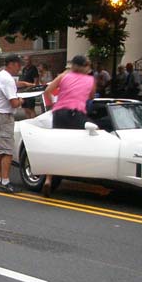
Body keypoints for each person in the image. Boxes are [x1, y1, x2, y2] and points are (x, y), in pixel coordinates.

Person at [41, 54, 96, 196]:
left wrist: (51, 106)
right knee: (85, 139)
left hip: (59, 112)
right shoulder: (90, 80)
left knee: (56, 146)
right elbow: (91, 97)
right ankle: (77, 170)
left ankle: (48, 179)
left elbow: (47, 91)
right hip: (76, 114)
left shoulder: (64, 76)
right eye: (87, 65)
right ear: (83, 67)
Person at [0, 54, 24, 193]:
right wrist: (21, 100)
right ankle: (5, 181)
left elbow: (12, 86)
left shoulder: (1, 75)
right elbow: (14, 102)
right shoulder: (7, 79)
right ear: (11, 64)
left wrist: (24, 85)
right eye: (18, 65)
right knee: (7, 151)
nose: (19, 68)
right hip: (4, 117)